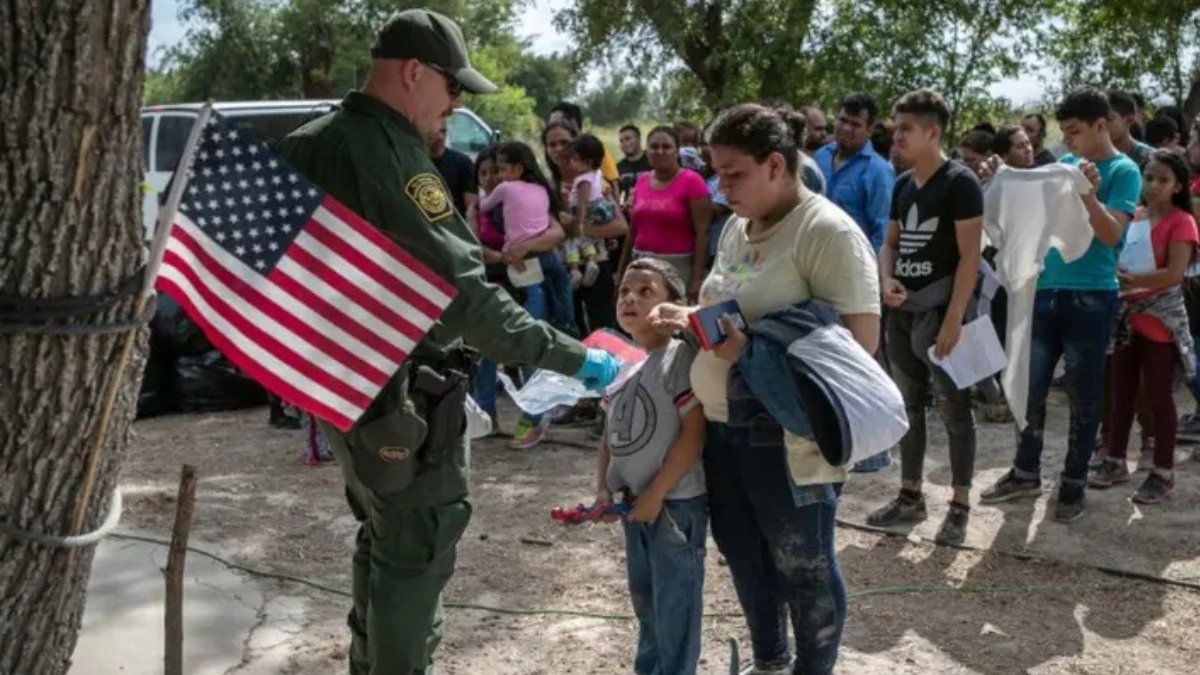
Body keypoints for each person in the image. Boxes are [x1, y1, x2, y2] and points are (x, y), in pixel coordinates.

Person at [275, 11, 620, 673]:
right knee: (417, 548)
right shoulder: (394, 158)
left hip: (344, 389)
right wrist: (578, 359)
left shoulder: (308, 141)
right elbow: (465, 301)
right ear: (412, 73)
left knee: (383, 540)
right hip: (404, 395)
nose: (457, 106)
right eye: (453, 88)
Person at [651, 103, 880, 675]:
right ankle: (771, 661)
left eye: (733, 174)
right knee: (746, 557)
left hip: (787, 435)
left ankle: (813, 668)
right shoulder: (735, 226)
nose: (719, 186)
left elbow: (860, 344)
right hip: (723, 427)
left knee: (802, 562)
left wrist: (749, 352)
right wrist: (689, 315)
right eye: (715, 172)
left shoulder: (826, 232)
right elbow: (730, 302)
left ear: (776, 164)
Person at [981, 87, 1141, 522]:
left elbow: (1112, 237)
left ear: (1101, 126)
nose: (1067, 141)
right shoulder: (1064, 165)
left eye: (1074, 131)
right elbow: (1028, 194)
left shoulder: (1124, 171)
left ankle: (1073, 483)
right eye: (1064, 132)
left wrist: (1089, 195)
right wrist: (1003, 176)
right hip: (1045, 289)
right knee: (1029, 388)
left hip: (1093, 296)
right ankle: (1025, 469)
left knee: (1084, 395)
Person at [867, 89, 983, 546]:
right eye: (896, 129)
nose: (897, 138)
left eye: (906, 130)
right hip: (901, 313)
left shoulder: (961, 182)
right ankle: (910, 495)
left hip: (940, 314)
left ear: (933, 132)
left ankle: (959, 505)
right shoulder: (902, 184)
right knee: (907, 406)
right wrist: (885, 279)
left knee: (956, 410)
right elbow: (890, 242)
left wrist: (954, 319)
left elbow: (970, 257)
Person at [592, 257, 707, 675]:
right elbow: (610, 435)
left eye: (646, 291)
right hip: (633, 504)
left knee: (675, 605)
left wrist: (658, 494)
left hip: (674, 504)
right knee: (645, 600)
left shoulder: (680, 359)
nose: (630, 298)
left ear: (672, 306)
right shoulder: (621, 363)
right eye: (625, 290)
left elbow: (693, 435)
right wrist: (603, 491)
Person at [1090, 151, 1198, 503]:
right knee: (1121, 394)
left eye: (1163, 180)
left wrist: (1131, 280)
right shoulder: (1135, 217)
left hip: (1160, 321)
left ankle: (1162, 472)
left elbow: (1173, 274)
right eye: (1149, 177)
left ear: (1178, 186)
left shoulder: (1182, 222)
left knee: (1158, 397)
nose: (1153, 186)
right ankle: (1116, 459)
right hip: (1126, 318)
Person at [475, 141, 579, 449]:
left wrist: (524, 246)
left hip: (525, 278)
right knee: (487, 355)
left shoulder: (522, 194)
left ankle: (533, 419)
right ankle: (485, 418)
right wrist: (499, 256)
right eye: (485, 172)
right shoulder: (479, 207)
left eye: (498, 170)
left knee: (530, 349)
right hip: (493, 283)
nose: (493, 177)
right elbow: (470, 245)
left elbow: (556, 232)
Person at [543, 120, 630, 337]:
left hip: (596, 264)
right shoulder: (544, 186)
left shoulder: (597, 182)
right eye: (552, 144)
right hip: (561, 269)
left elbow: (621, 226)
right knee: (571, 330)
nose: (559, 149)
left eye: (564, 142)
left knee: (604, 329)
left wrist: (577, 229)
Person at [621, 126, 713, 302]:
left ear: (676, 151)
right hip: (640, 264)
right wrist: (622, 271)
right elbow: (633, 231)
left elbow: (702, 234)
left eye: (666, 147)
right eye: (654, 147)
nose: (660, 151)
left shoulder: (693, 182)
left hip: (678, 268)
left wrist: (696, 279)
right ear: (647, 151)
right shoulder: (642, 181)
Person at [813, 93, 895, 251]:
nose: (846, 128)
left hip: (852, 263)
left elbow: (882, 232)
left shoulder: (879, 171)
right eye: (842, 120)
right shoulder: (820, 156)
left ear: (869, 130)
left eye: (856, 124)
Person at [565, 133, 617, 288]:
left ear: (586, 161)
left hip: (584, 214)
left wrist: (579, 223)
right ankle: (592, 261)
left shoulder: (583, 181)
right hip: (597, 213)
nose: (571, 163)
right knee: (588, 242)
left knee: (572, 242)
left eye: (574, 159)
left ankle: (575, 271)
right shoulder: (597, 174)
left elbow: (582, 203)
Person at [549, 101, 621, 186]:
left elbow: (614, 187)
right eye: (551, 123)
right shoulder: (554, 154)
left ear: (573, 123)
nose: (552, 127)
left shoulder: (593, 149)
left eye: (556, 122)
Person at [428, 121, 476, 215]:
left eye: (443, 131)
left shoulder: (462, 162)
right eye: (434, 132)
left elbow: (471, 207)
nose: (440, 137)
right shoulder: (413, 162)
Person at [1107, 90, 1154, 169]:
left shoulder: (1149, 158)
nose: (1102, 125)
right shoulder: (1090, 158)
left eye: (1109, 119)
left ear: (1129, 120)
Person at [617, 124, 652, 204]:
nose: (625, 143)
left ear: (639, 139)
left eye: (628, 139)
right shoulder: (619, 167)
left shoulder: (652, 160)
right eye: (621, 141)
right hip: (629, 211)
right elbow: (617, 194)